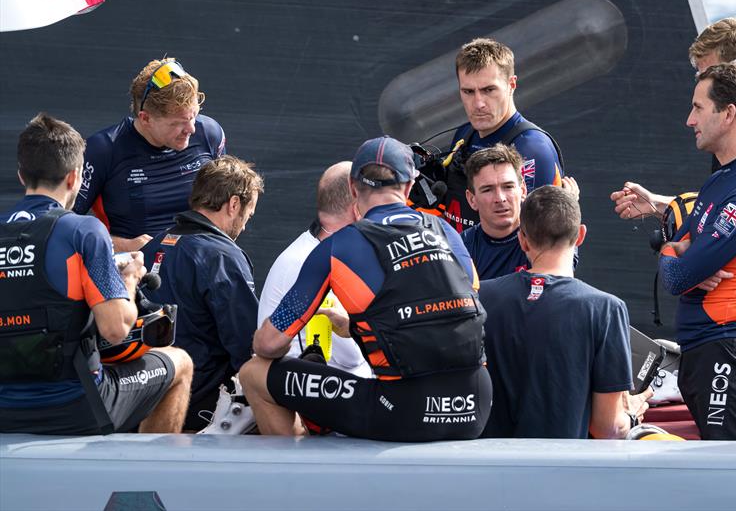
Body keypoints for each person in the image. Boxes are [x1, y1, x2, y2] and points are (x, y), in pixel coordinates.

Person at [610, 17, 736, 441]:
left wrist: (718, 247)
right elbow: (712, 214)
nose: (691, 115)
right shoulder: (727, 157)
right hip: (730, 294)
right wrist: (663, 208)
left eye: (705, 79)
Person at [239, 136, 490, 441]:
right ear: (409, 188)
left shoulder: (338, 246)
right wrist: (359, 327)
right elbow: (462, 302)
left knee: (253, 373)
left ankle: (298, 483)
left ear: (354, 188)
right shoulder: (446, 231)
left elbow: (268, 344)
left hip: (405, 411)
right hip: (475, 406)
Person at [0, 113, 192, 435]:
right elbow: (116, 329)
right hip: (75, 406)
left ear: (22, 175)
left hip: (4, 410)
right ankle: (153, 479)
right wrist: (128, 279)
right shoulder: (83, 231)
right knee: (180, 362)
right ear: (74, 177)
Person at [658, 64, 736, 440]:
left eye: (698, 108)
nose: (689, 119)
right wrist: (676, 249)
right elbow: (676, 247)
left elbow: (676, 277)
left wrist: (675, 251)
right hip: (708, 349)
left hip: (729, 352)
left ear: (728, 114)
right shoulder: (721, 179)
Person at [479, 186, 650, 438]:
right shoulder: (605, 309)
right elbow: (607, 428)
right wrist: (631, 415)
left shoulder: (479, 295)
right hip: (562, 471)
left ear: (522, 240)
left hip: (485, 468)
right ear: (580, 236)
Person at [140, 155, 263, 431]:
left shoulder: (152, 247)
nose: (244, 226)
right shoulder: (222, 256)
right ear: (233, 204)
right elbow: (247, 344)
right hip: (199, 407)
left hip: (141, 400)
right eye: (248, 214)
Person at [74, 58, 226, 253]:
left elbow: (225, 209)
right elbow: (61, 229)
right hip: (135, 274)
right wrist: (124, 246)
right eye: (178, 123)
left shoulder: (209, 133)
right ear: (146, 118)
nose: (191, 129)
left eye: (194, 115)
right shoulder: (104, 149)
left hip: (198, 266)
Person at [257, 161, 370, 377]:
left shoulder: (319, 250)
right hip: (309, 389)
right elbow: (352, 357)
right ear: (356, 208)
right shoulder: (309, 263)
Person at [439, 37, 563, 233]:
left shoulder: (532, 149)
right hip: (459, 260)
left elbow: (542, 239)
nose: (478, 103)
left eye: (489, 90)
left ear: (511, 84)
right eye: (468, 91)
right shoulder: (464, 134)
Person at [462, 143, 580, 279]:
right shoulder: (458, 249)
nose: (500, 198)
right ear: (472, 199)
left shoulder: (547, 238)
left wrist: (566, 212)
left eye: (508, 187)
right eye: (488, 189)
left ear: (523, 190)